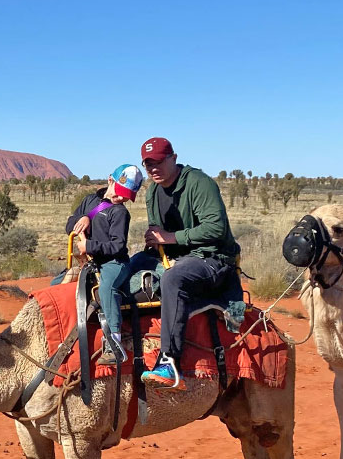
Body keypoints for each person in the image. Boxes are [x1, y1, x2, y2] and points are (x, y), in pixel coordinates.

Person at [132, 137, 240, 390]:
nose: (153, 169)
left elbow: (216, 228)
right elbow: (159, 231)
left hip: (213, 259)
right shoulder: (153, 192)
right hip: (177, 256)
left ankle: (169, 361)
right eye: (148, 165)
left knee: (173, 279)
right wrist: (155, 240)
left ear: (174, 158)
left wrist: (171, 238)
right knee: (131, 265)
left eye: (158, 162)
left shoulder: (199, 184)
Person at [65, 163, 144, 366]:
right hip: (92, 261)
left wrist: (89, 245)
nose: (123, 198)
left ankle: (114, 343)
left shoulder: (120, 213)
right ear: (110, 180)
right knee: (61, 281)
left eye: (128, 195)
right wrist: (83, 218)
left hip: (114, 263)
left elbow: (117, 246)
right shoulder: (90, 201)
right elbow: (69, 225)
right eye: (121, 191)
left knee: (108, 287)